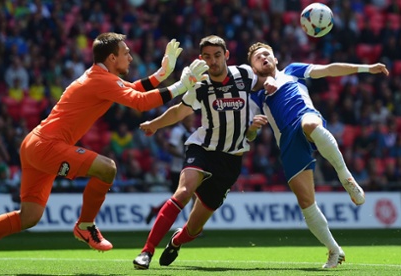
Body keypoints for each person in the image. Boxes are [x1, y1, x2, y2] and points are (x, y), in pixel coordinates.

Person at [0, 32, 210, 276]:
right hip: (47, 146)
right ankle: (85, 226)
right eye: (126, 52)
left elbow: (131, 90)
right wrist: (181, 87)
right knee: (107, 168)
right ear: (111, 57)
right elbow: (140, 102)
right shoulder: (100, 79)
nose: (130, 56)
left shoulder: (100, 77)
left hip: (35, 144)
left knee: (29, 217)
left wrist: (164, 73)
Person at [133, 35, 276, 270]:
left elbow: (263, 80)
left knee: (194, 229)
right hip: (202, 149)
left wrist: (269, 83)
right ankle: (146, 252)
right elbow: (180, 111)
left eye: (218, 55)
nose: (213, 61)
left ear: (226, 56)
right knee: (183, 192)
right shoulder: (200, 85)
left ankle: (176, 242)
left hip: (230, 162)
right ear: (201, 59)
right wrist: (155, 124)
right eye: (207, 57)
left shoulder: (244, 75)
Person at [246, 42, 389, 268]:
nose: (263, 57)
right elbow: (250, 136)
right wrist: (252, 128)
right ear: (253, 68)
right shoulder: (255, 97)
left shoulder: (292, 71)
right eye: (257, 57)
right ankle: (333, 249)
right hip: (287, 141)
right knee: (306, 203)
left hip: (304, 117)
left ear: (275, 60)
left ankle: (345, 177)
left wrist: (366, 68)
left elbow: (329, 69)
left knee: (310, 123)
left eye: (267, 54)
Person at [144, 113, 196, 224]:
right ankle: (191, 226)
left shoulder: (193, 130)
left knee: (189, 196)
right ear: (184, 118)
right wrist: (184, 156)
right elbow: (170, 148)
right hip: (178, 169)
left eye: (192, 118)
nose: (191, 120)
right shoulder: (177, 132)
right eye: (189, 118)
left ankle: (156, 210)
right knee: (183, 198)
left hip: (189, 168)